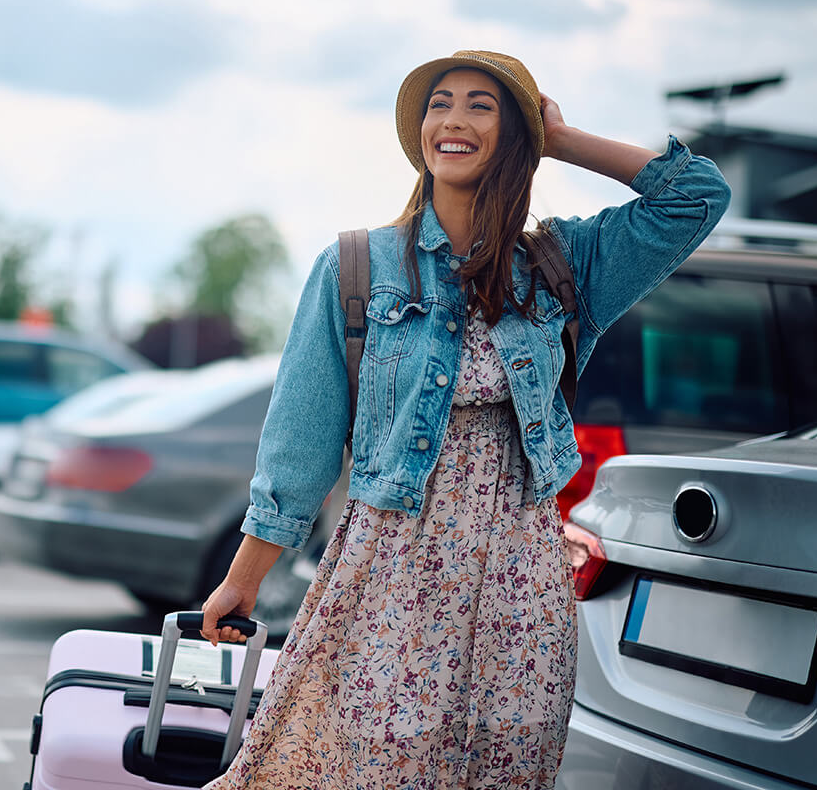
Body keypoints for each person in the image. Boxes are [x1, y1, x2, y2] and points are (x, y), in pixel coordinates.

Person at [199, 50, 730, 789]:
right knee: (378, 766)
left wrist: (564, 140)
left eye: (482, 105)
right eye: (439, 103)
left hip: (523, 577)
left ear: (515, 135)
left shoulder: (565, 264)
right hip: (392, 573)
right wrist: (244, 578)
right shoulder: (357, 267)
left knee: (506, 768)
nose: (452, 119)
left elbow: (696, 196)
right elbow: (300, 439)